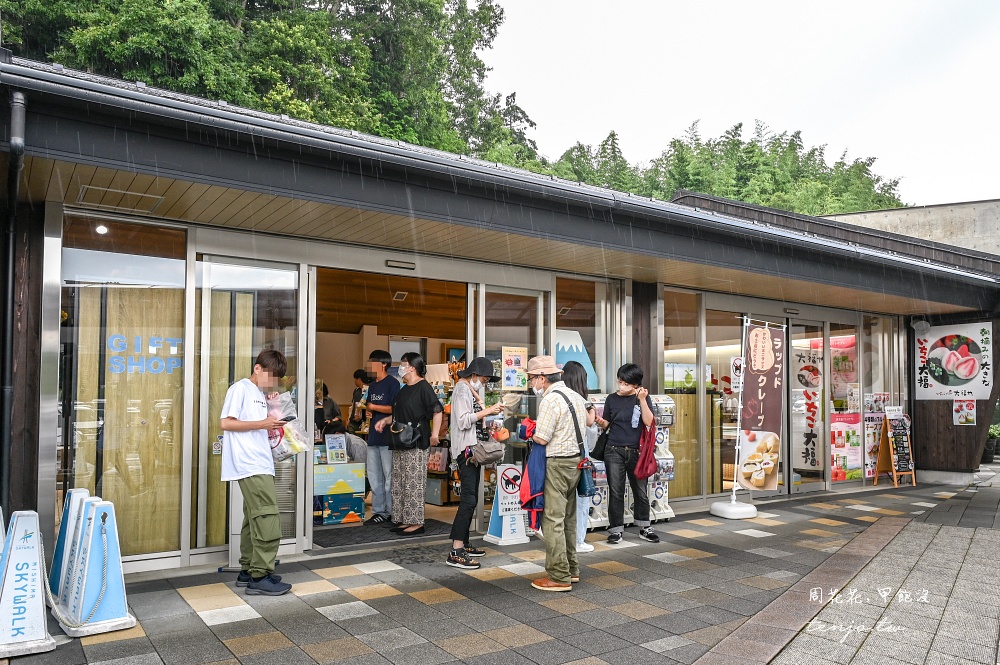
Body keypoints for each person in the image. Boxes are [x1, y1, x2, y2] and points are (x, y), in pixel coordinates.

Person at [219, 349, 292, 596]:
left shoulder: (259, 394)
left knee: (254, 516)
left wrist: (271, 403)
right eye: (269, 377)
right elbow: (226, 423)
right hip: (250, 463)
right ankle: (260, 575)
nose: (271, 382)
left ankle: (249, 569)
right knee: (266, 515)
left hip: (259, 462)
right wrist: (263, 423)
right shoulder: (239, 389)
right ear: (257, 368)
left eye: (275, 380)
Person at [527, 355, 588, 592]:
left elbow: (542, 437)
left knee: (552, 520)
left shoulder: (551, 400)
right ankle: (571, 569)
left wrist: (528, 430)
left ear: (542, 378)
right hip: (576, 463)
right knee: (569, 519)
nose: (532, 384)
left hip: (557, 464)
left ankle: (558, 576)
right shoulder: (575, 396)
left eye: (532, 378)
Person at [374, 352, 443, 536]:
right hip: (399, 441)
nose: (400, 367)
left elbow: (437, 411)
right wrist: (386, 421)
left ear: (412, 366)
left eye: (403, 363)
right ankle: (404, 519)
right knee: (400, 482)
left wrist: (435, 434)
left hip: (416, 441)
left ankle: (416, 522)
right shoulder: (404, 389)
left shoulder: (423, 387)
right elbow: (400, 414)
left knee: (414, 482)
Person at [445, 356, 503, 569]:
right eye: (485, 378)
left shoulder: (471, 390)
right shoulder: (462, 389)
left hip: (473, 450)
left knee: (471, 498)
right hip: (466, 451)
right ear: (475, 375)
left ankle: (465, 543)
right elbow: (462, 420)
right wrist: (488, 411)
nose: (486, 383)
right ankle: (456, 550)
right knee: (468, 499)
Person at [595, 363, 660, 545]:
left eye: (625, 382)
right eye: (619, 381)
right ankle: (616, 530)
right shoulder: (611, 399)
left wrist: (641, 399)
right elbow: (608, 424)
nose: (620, 385)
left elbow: (649, 422)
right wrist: (601, 422)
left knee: (640, 491)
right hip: (613, 450)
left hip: (636, 451)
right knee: (616, 491)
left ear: (635, 384)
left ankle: (644, 527)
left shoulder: (643, 399)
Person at [561, 360, 598, 553]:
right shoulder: (582, 401)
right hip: (580, 458)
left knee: (564, 501)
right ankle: (578, 540)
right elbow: (590, 428)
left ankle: (566, 538)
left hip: (561, 456)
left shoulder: (559, 398)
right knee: (582, 499)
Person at [364, 350, 400, 525]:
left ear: (383, 364)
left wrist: (374, 407)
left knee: (389, 476)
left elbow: (395, 409)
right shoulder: (372, 385)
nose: (370, 365)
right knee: (374, 476)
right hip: (372, 437)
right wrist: (369, 412)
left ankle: (392, 512)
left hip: (388, 438)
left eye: (373, 361)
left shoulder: (393, 383)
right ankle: (378, 512)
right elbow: (370, 407)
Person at [348, 369, 369, 434]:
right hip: (352, 421)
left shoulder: (368, 390)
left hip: (362, 422)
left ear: (359, 379)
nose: (354, 381)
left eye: (355, 379)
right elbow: (353, 404)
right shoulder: (356, 390)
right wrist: (348, 418)